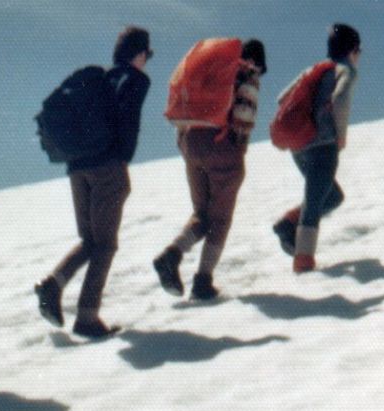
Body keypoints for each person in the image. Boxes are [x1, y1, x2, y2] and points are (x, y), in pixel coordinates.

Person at [34, 26, 152, 337]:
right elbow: (129, 120)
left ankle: (53, 284)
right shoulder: (134, 80)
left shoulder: (96, 81)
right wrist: (122, 158)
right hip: (107, 168)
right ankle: (86, 318)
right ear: (139, 53)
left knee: (90, 241)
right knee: (106, 245)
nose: (147, 61)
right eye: (147, 55)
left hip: (77, 168)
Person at [153, 40, 267, 299]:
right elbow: (244, 113)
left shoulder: (214, 70)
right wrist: (237, 149)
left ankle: (172, 254)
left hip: (190, 142)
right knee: (221, 220)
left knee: (201, 214)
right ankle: (203, 281)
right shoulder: (248, 73)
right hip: (221, 146)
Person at [272, 24, 361, 273]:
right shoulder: (347, 70)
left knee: (332, 196)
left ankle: (289, 222)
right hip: (323, 145)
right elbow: (340, 98)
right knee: (314, 203)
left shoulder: (314, 70)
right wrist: (340, 136)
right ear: (353, 50)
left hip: (299, 146)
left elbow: (281, 98)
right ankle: (303, 261)